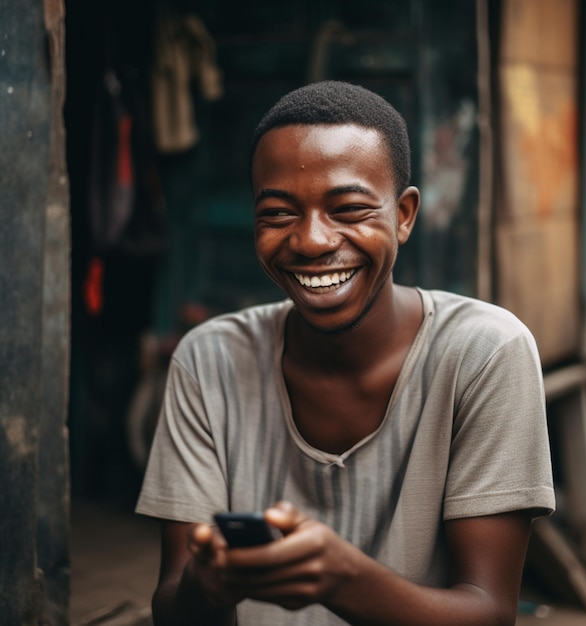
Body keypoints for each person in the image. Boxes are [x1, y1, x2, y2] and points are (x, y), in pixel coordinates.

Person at [136, 80, 555, 626]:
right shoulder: (208, 360)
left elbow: (488, 612)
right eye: (278, 213)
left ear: (404, 215)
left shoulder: (485, 353)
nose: (311, 241)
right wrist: (207, 585)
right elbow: (173, 607)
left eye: (349, 208)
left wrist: (341, 578)